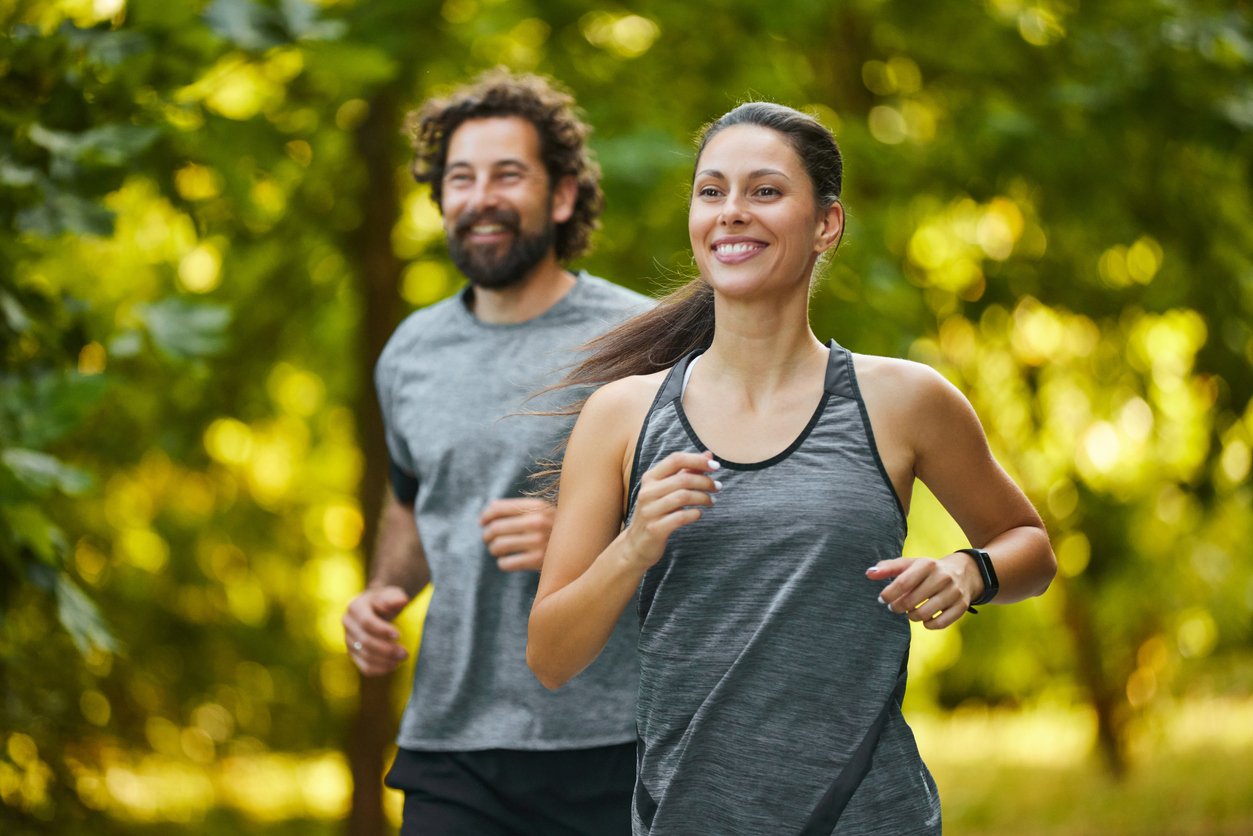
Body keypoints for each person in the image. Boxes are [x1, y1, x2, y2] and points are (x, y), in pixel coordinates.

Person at [526, 102, 1057, 835]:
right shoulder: (622, 416)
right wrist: (633, 545)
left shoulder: (903, 400)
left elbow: (1028, 545)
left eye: (764, 191)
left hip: (871, 816)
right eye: (711, 192)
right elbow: (550, 656)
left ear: (826, 224)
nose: (731, 213)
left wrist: (972, 573)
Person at [342, 70, 649, 836]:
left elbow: (729, 519)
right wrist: (383, 593)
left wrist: (588, 543)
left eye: (508, 174)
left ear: (564, 196)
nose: (481, 197)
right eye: (460, 178)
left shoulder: (646, 342)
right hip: (455, 742)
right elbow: (416, 503)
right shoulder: (410, 352)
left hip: (620, 743)